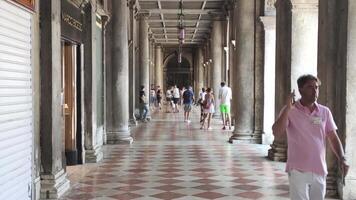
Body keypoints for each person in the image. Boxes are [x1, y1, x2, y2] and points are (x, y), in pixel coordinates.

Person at [272, 74, 349, 200]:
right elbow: (277, 132)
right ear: (300, 89)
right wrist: (287, 109)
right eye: (310, 87)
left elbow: (333, 137)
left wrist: (342, 158)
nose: (315, 91)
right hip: (297, 168)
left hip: (319, 168)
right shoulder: (290, 110)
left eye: (317, 87)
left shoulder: (324, 111)